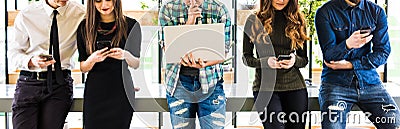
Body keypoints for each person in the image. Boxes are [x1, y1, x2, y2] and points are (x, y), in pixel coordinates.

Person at [315, 0, 400, 128]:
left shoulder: (376, 12)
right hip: (336, 84)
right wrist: (348, 44)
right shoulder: (325, 12)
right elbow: (329, 56)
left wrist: (351, 64)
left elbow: (383, 52)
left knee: (395, 124)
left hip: (370, 82)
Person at [8, 0, 85, 128]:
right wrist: (31, 61)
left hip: (59, 84)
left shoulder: (81, 13)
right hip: (29, 82)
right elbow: (13, 53)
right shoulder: (27, 14)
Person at [159, 0, 231, 128]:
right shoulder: (168, 9)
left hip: (211, 84)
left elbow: (223, 52)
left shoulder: (219, 9)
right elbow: (168, 50)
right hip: (178, 84)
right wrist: (190, 21)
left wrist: (205, 63)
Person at [242, 0, 309, 128]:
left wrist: (294, 60)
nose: (281, 0)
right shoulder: (253, 20)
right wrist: (265, 62)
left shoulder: (298, 20)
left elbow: (304, 60)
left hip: (295, 87)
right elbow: (246, 58)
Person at [76, 0, 141, 128]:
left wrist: (125, 55)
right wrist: (92, 59)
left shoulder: (131, 25)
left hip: (121, 92)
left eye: (108, 0)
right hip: (95, 93)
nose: (104, 5)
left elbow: (136, 63)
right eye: (98, 1)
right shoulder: (84, 27)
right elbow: (83, 67)